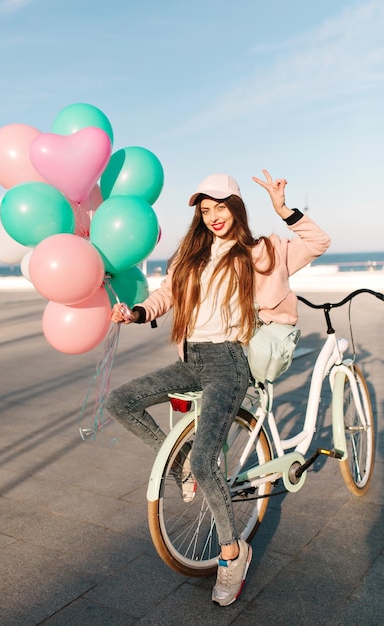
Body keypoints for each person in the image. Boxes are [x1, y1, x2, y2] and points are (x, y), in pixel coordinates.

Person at [105, 169, 330, 607]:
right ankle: (181, 463)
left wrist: (285, 210)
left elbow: (318, 243)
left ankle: (232, 553)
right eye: (205, 210)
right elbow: (164, 295)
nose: (213, 216)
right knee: (120, 400)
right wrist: (135, 312)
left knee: (211, 461)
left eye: (220, 206)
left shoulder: (259, 251)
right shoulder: (191, 257)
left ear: (236, 207)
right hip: (191, 360)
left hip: (229, 363)